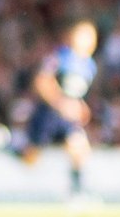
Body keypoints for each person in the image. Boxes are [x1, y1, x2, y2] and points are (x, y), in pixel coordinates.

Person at [24, 17, 99, 199]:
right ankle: (9, 144)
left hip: (68, 119)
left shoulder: (90, 66)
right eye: (83, 35)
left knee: (79, 147)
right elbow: (42, 81)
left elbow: (77, 95)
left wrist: (82, 108)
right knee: (31, 156)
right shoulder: (60, 57)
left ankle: (77, 192)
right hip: (48, 114)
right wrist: (61, 102)